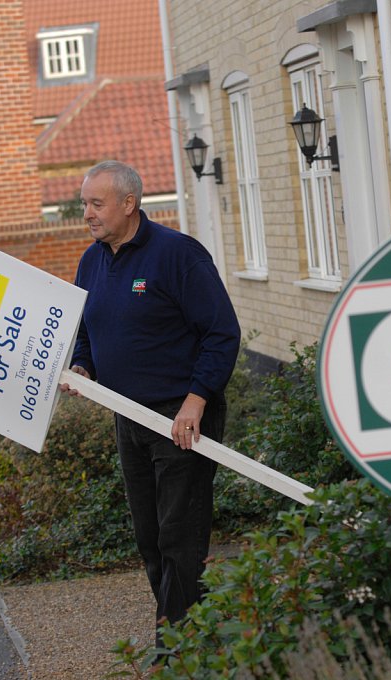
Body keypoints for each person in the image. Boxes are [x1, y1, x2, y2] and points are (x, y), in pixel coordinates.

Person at [60, 160, 240, 642]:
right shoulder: (91, 261)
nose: (88, 214)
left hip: (181, 418)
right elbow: (86, 331)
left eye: (96, 204)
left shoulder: (178, 256)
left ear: (128, 203)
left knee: (179, 535)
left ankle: (176, 650)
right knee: (150, 538)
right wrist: (83, 368)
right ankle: (193, 633)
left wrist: (196, 401)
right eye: (84, 204)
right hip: (130, 418)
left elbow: (221, 334)